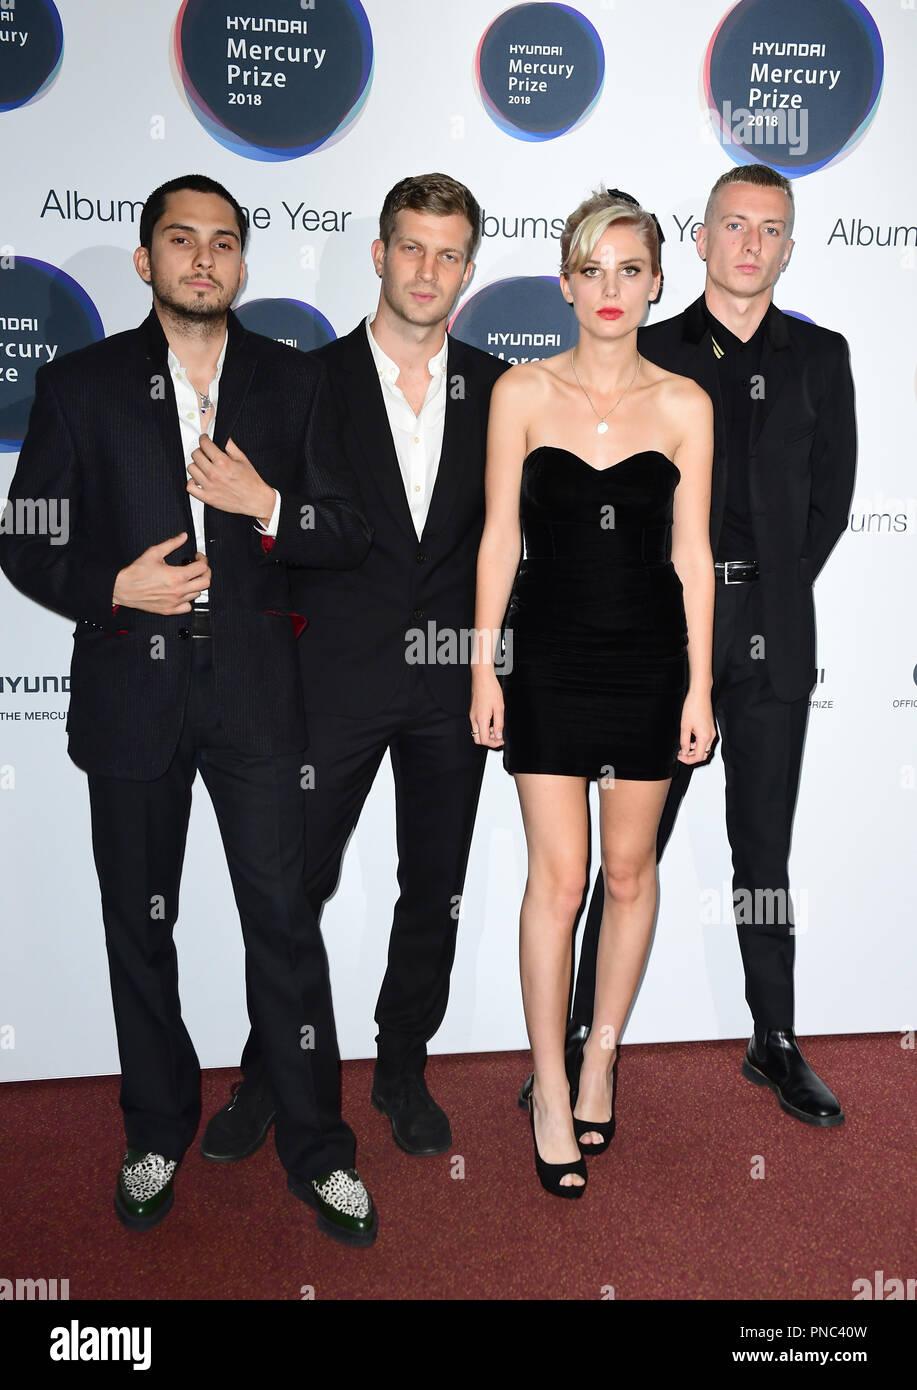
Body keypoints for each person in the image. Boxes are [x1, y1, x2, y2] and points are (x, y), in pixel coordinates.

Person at [0, 174, 379, 1247]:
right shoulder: (79, 384)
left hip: (260, 694)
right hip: (131, 690)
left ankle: (318, 1147)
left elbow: (346, 531)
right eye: (180, 239)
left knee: (283, 930)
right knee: (140, 927)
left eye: (222, 242)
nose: (203, 258)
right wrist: (113, 585)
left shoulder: (295, 385)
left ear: (244, 266)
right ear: (144, 260)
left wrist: (266, 504)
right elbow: (26, 534)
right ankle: (154, 1128)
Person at [530, 163, 857, 1129]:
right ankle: (584, 1043)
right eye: (733, 226)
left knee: (763, 851)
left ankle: (775, 1039)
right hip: (656, 638)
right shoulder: (646, 347)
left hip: (773, 636)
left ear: (788, 249)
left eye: (770, 229)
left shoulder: (821, 356)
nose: (751, 244)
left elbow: (827, 507)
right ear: (701, 240)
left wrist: (761, 592)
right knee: (623, 858)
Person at [201, 173, 509, 1163]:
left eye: (448, 252)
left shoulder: (500, 387)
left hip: (451, 682)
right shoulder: (303, 382)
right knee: (293, 887)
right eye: (410, 247)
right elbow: (268, 536)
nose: (427, 270)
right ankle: (269, 1071)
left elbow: (510, 540)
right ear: (378, 254)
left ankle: (403, 1065)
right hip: (327, 679)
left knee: (436, 883)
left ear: (468, 268)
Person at [471, 189, 715, 1195]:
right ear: (564, 281)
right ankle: (543, 1081)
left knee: (626, 876)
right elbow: (496, 538)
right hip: (548, 659)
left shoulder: (684, 405)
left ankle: (599, 1053)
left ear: (655, 283)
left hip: (648, 661)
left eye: (629, 268)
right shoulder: (519, 394)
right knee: (558, 879)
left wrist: (699, 682)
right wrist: (482, 661)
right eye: (590, 267)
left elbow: (693, 554)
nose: (608, 287)